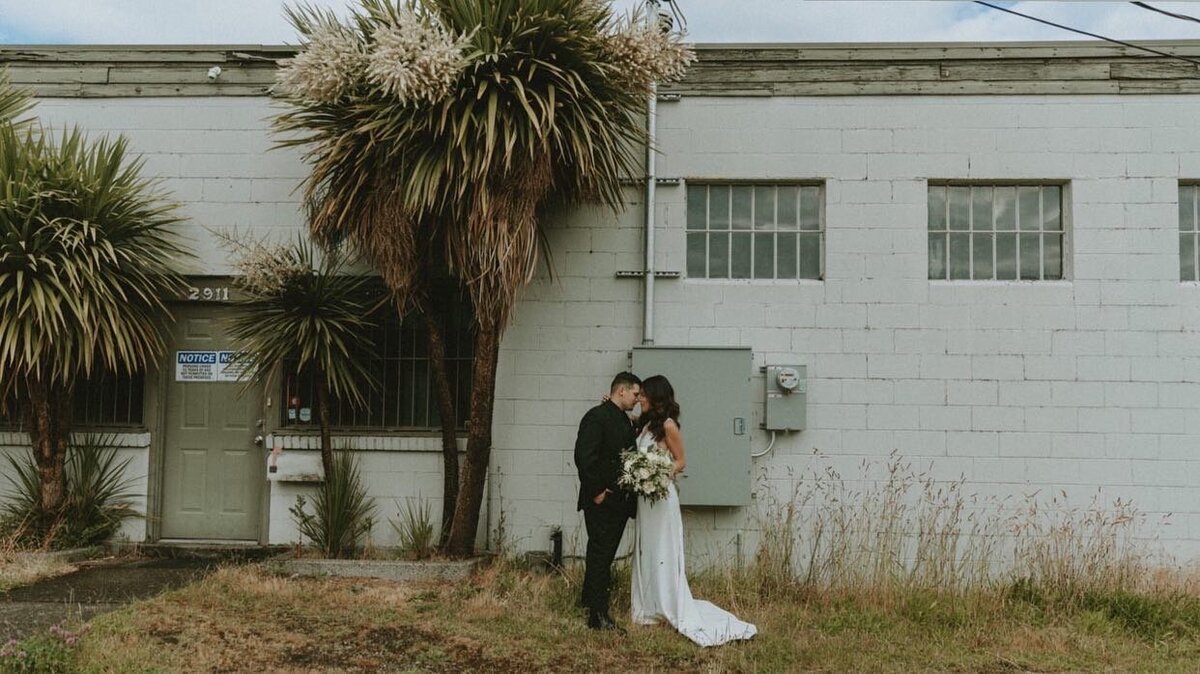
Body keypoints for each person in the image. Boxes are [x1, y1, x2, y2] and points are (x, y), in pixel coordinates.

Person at [630, 374, 757, 647]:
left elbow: (681, 462)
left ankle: (668, 606)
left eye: (643, 395)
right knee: (647, 549)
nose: (639, 398)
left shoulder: (668, 426)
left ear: (655, 397)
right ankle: (649, 607)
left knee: (663, 549)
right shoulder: (644, 427)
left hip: (661, 497)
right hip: (645, 501)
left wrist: (655, 474)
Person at [574, 371, 640, 631]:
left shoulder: (621, 419)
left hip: (618, 503)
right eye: (635, 393)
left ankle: (589, 600)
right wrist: (597, 491)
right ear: (621, 391)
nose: (637, 398)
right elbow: (584, 458)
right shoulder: (596, 417)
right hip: (602, 500)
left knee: (602, 553)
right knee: (601, 554)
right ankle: (598, 616)